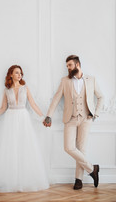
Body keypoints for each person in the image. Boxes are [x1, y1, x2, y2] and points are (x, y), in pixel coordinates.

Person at [0, 65, 49, 192]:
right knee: (9, 149)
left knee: (24, 148)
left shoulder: (25, 88)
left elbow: (33, 104)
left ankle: (24, 180)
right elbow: (2, 108)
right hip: (10, 119)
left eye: (21, 73)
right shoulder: (6, 90)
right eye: (17, 73)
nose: (20, 75)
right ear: (11, 75)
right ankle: (10, 180)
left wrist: (43, 118)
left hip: (23, 118)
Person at [43, 55, 104, 190]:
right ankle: (92, 168)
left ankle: (78, 179)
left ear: (77, 64)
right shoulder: (65, 81)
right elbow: (56, 99)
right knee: (69, 147)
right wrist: (49, 116)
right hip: (70, 119)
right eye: (67, 66)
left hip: (85, 119)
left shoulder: (91, 80)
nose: (68, 68)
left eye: (70, 65)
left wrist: (95, 113)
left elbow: (101, 97)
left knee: (81, 149)